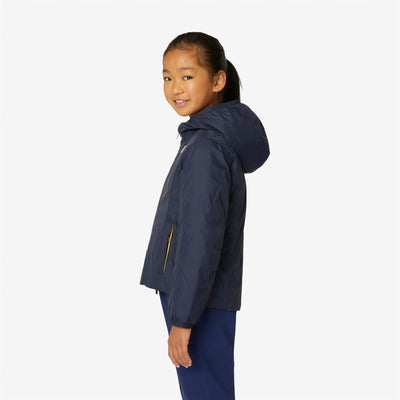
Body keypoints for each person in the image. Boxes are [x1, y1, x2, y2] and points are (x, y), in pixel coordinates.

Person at [139, 32, 270, 400]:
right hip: (198, 295)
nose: (175, 88)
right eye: (167, 77)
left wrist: (183, 320)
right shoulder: (203, 140)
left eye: (187, 75)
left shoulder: (205, 148)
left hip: (196, 300)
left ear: (217, 80)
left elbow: (200, 239)